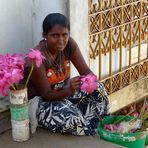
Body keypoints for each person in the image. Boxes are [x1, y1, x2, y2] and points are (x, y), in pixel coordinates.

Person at [26, 13, 109, 135]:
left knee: (98, 87)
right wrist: (69, 90)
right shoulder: (36, 57)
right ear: (44, 35)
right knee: (72, 118)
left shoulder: (69, 44)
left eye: (65, 35)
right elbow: (46, 94)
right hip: (40, 102)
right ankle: (83, 124)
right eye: (55, 35)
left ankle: (99, 123)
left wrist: (86, 81)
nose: (61, 40)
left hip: (63, 93)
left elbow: (86, 73)